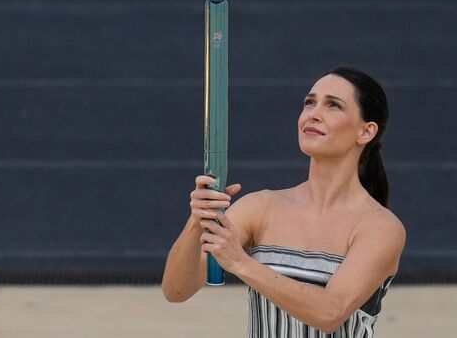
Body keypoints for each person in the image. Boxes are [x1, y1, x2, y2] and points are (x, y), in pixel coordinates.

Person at [160, 67, 406, 337]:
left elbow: (329, 313)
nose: (313, 114)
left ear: (366, 131)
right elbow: (176, 290)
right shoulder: (261, 207)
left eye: (333, 105)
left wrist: (241, 262)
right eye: (309, 102)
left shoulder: (380, 227)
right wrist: (197, 220)